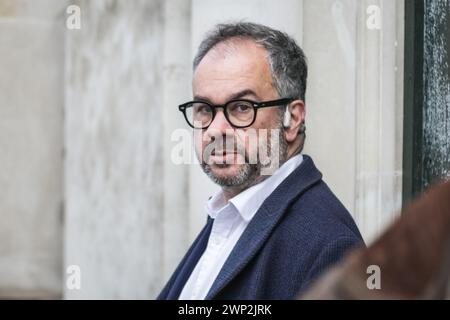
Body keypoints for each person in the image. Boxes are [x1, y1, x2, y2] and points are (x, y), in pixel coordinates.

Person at [158, 22, 363, 300]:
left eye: (242, 108)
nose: (216, 130)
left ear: (292, 120)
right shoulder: (227, 214)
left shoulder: (330, 246)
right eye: (205, 109)